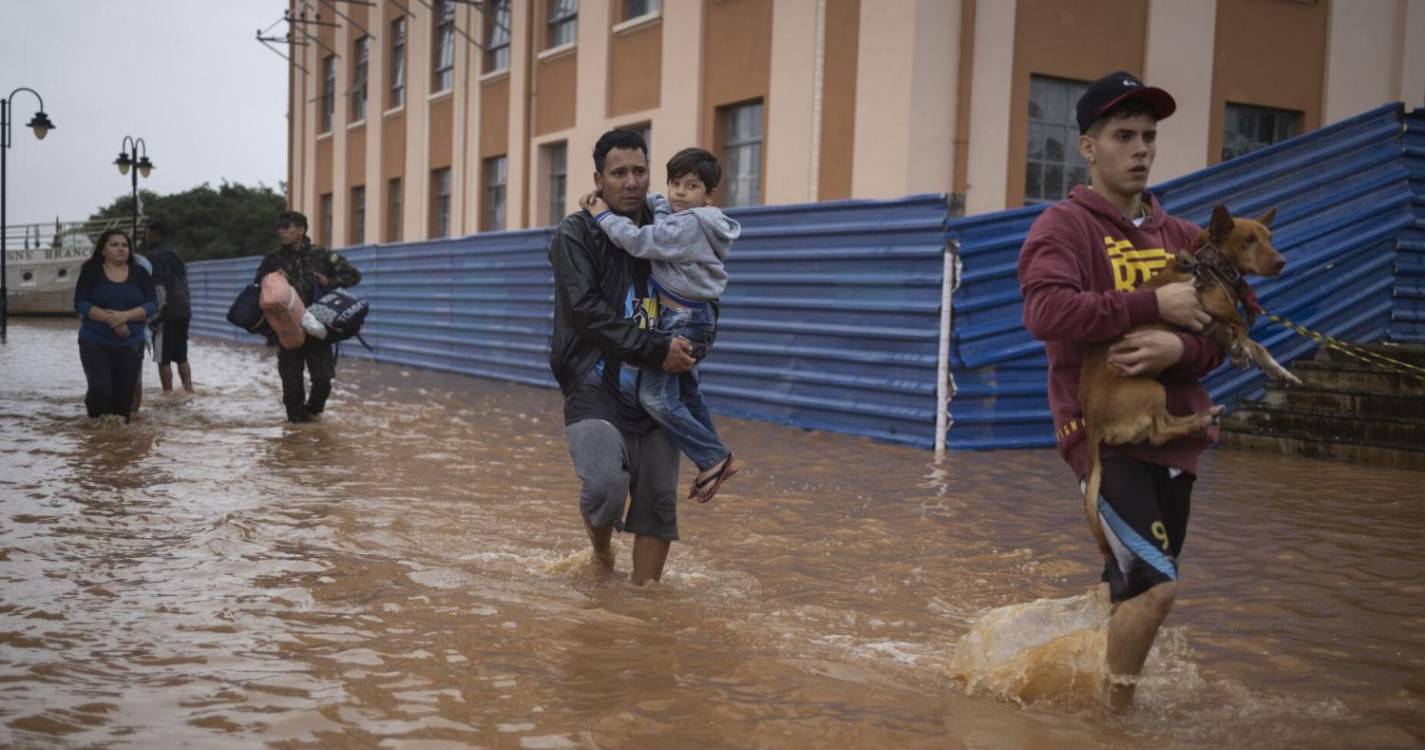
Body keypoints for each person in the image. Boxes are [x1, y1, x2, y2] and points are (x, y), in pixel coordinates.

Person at [1016, 71, 1224, 711]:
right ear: (1088, 147)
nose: (1140, 149)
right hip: (1104, 439)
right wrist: (1150, 303)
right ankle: (1112, 723)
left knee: (1130, 588)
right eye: (1122, 136)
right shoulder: (1063, 228)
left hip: (1178, 440)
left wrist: (1180, 347)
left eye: (1148, 137)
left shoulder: (1186, 237)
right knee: (1157, 589)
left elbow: (1227, 333)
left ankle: (1048, 678)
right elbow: (1046, 313)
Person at [548, 129, 696, 585]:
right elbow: (585, 312)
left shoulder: (670, 228)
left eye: (639, 171)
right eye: (619, 173)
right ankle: (601, 551)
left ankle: (645, 607)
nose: (631, 182)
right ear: (599, 180)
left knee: (657, 505)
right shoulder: (577, 234)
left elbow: (706, 296)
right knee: (605, 487)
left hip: (660, 389)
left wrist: (693, 347)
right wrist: (656, 346)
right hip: (595, 384)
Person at [579, 146, 741, 503]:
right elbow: (665, 209)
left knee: (653, 397)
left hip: (684, 320)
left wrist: (602, 213)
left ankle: (712, 458)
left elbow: (640, 241)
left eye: (692, 186)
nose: (681, 193)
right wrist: (644, 196)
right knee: (688, 392)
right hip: (692, 316)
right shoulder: (690, 216)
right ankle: (717, 459)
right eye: (675, 184)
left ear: (709, 195)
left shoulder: (690, 227)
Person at [253, 210, 362, 423]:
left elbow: (354, 276)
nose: (281, 231)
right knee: (291, 384)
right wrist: (273, 279)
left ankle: (313, 416)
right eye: (279, 227)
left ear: (301, 229)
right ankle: (296, 436)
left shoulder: (321, 255)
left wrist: (328, 282)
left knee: (322, 380)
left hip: (318, 326)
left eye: (287, 226)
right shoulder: (273, 258)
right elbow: (258, 286)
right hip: (288, 329)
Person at [73, 229, 157, 422]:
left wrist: (125, 316)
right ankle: (95, 439)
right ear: (103, 250)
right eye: (114, 245)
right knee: (101, 390)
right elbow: (81, 303)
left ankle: (118, 448)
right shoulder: (91, 271)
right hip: (95, 341)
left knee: (122, 404)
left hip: (131, 343)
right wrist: (112, 320)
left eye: (124, 245)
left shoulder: (140, 273)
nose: (121, 249)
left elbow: (152, 304)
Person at [143, 220, 194, 393]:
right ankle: (189, 390)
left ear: (153, 234)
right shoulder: (176, 253)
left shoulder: (153, 256)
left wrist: (155, 315)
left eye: (147, 233)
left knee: (162, 358)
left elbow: (158, 287)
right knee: (181, 356)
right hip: (184, 311)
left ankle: (167, 396)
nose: (145, 236)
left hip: (166, 313)